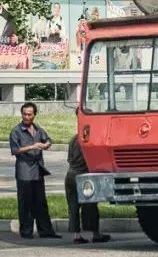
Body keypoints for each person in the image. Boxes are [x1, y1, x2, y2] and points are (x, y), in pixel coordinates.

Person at [9, 102, 61, 240]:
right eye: (24, 114)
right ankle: (26, 232)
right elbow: (15, 150)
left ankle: (46, 231)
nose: (26, 117)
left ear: (34, 115)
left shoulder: (38, 129)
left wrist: (45, 145)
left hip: (38, 170)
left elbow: (48, 140)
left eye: (29, 114)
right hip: (24, 172)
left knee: (40, 202)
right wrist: (32, 146)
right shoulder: (16, 131)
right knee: (26, 203)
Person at [65, 114, 111, 244]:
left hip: (70, 175)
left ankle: (76, 235)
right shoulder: (89, 138)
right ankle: (95, 234)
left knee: (73, 206)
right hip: (84, 175)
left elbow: (69, 159)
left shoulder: (74, 138)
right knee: (90, 205)